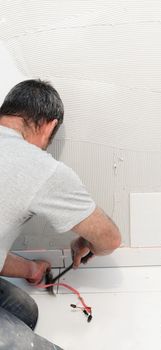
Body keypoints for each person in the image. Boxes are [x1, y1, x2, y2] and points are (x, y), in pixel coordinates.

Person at [0, 79, 121, 349]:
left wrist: (30, 268)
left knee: (26, 313)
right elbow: (109, 239)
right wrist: (86, 243)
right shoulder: (37, 166)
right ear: (50, 125)